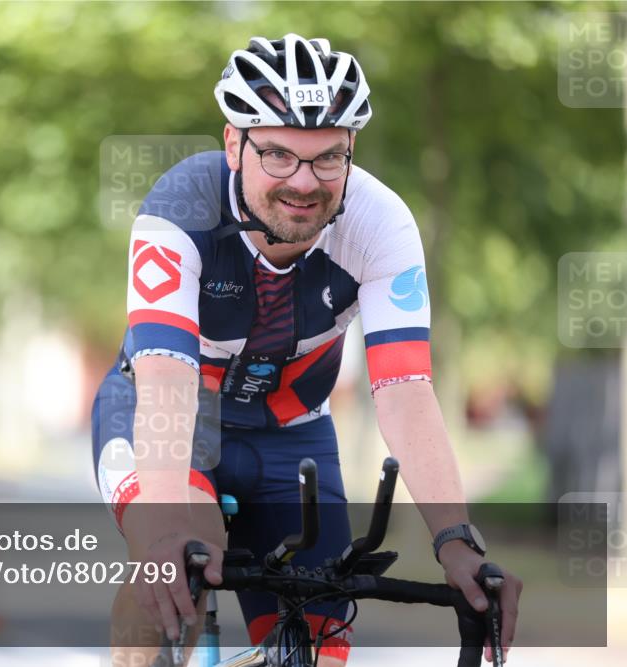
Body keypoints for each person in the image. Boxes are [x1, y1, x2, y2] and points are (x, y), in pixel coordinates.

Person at [91, 33, 522, 666]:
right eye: (278, 155)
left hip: (293, 434)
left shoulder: (380, 224)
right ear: (234, 145)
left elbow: (405, 391)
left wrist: (457, 541)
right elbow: (166, 382)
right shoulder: (181, 207)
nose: (304, 182)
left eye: (328, 159)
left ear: (351, 152)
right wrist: (163, 529)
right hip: (171, 417)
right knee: (180, 567)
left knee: (319, 640)